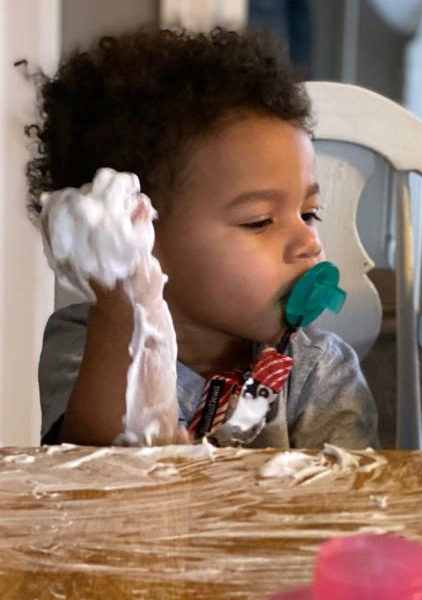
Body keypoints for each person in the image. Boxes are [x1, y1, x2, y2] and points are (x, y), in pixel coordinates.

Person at [27, 28, 378, 449]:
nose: (309, 243)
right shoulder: (85, 339)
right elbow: (94, 477)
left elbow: (345, 506)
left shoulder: (321, 372)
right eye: (260, 221)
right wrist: (125, 304)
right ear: (144, 236)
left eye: (308, 213)